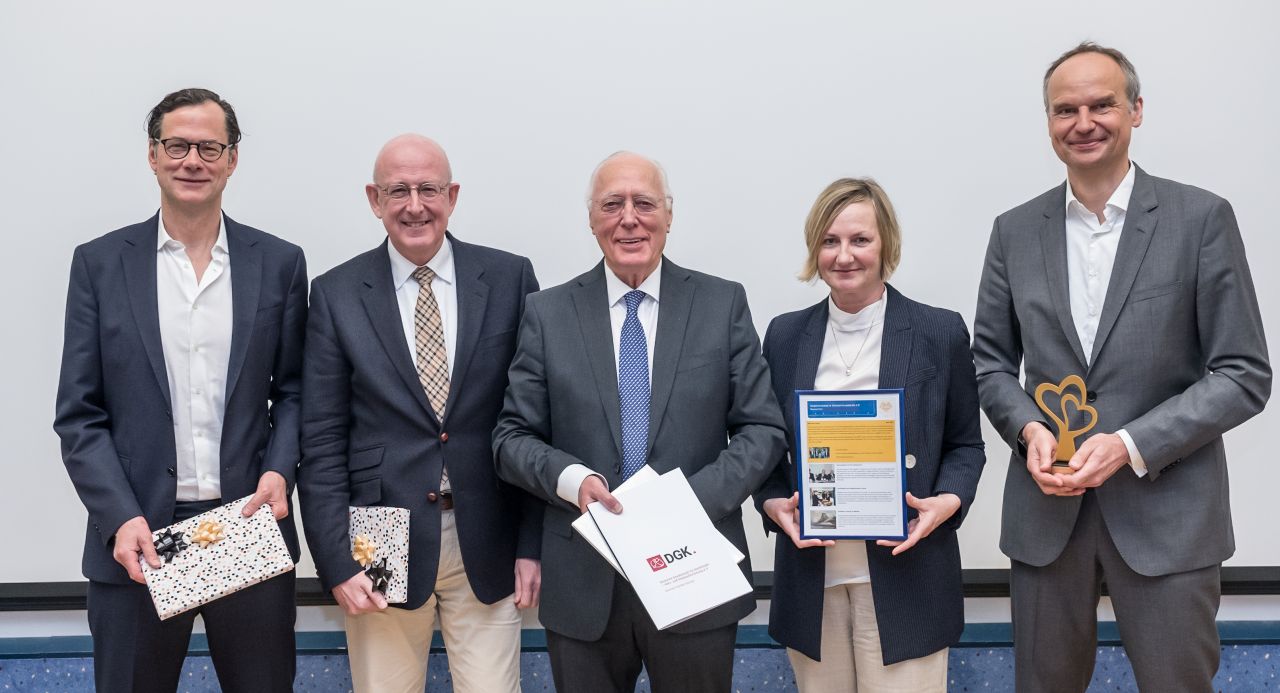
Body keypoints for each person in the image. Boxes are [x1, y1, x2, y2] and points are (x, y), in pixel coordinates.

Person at [972, 42, 1271, 692]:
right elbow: (991, 363)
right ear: (1049, 122)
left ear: (1136, 110)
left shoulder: (1200, 220)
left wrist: (1131, 444)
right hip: (1046, 520)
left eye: (1101, 104)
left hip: (1170, 521)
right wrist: (1027, 431)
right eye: (1065, 109)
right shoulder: (1013, 231)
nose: (1083, 122)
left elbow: (1244, 372)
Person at [493, 151, 787, 692]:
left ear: (669, 215)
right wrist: (572, 480)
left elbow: (762, 429)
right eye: (612, 204)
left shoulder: (721, 304)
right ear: (592, 220)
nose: (629, 218)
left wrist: (687, 505)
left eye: (644, 203)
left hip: (694, 575)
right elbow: (511, 439)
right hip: (584, 585)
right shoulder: (548, 313)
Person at [53, 88, 306, 693]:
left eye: (209, 147)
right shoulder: (99, 264)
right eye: (178, 145)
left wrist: (280, 472)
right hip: (140, 540)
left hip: (242, 526)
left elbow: (295, 391)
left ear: (232, 159)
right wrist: (119, 519)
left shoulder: (279, 263)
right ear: (153, 154)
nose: (193, 159)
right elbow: (79, 416)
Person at [297, 134, 542, 693]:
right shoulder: (336, 294)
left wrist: (533, 544)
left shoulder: (509, 279)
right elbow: (323, 440)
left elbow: (532, 424)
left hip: (489, 533)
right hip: (377, 539)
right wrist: (336, 561)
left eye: (428, 189)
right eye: (397, 190)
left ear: (452, 195)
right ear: (373, 199)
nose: (414, 205)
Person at [755, 178, 985, 692]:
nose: (844, 256)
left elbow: (966, 444)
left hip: (909, 578)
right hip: (812, 581)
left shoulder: (937, 331)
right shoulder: (785, 335)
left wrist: (946, 502)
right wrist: (773, 504)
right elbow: (764, 444)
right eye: (829, 241)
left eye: (860, 240)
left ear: (886, 246)